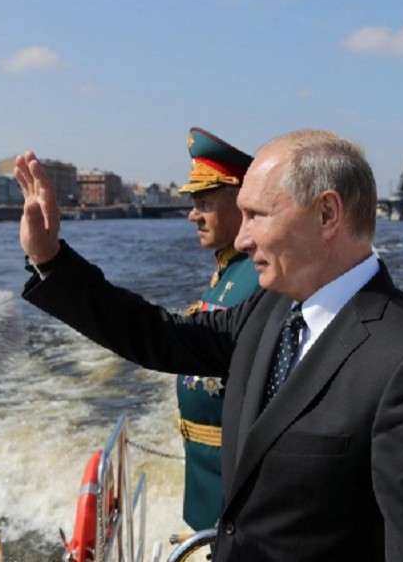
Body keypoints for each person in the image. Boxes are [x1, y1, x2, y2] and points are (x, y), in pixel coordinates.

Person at [15, 129, 403, 561]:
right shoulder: (271, 312)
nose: (241, 239)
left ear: (327, 214)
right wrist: (50, 259)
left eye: (256, 215)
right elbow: (158, 335)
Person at [175, 127, 260, 532]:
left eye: (204, 201)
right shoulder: (230, 272)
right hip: (208, 483)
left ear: (241, 202)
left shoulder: (260, 280)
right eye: (194, 202)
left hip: (239, 496)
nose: (193, 214)